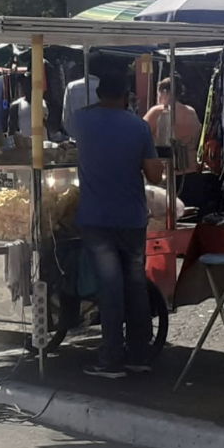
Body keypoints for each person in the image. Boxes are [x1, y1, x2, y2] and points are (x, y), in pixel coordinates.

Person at [74, 72, 164, 378]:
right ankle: (139, 354)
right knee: (135, 285)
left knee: (110, 289)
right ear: (126, 95)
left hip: (96, 218)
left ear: (99, 94)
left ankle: (110, 359)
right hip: (132, 218)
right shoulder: (138, 127)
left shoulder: (81, 121)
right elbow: (154, 176)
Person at [143, 76, 202, 175]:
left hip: (168, 172)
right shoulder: (191, 112)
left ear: (165, 92)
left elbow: (141, 135)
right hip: (191, 169)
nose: (158, 98)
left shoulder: (158, 112)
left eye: (159, 94)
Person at [62, 72, 100, 141]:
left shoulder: (71, 86)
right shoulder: (102, 87)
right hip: (99, 138)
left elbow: (66, 118)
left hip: (76, 139)